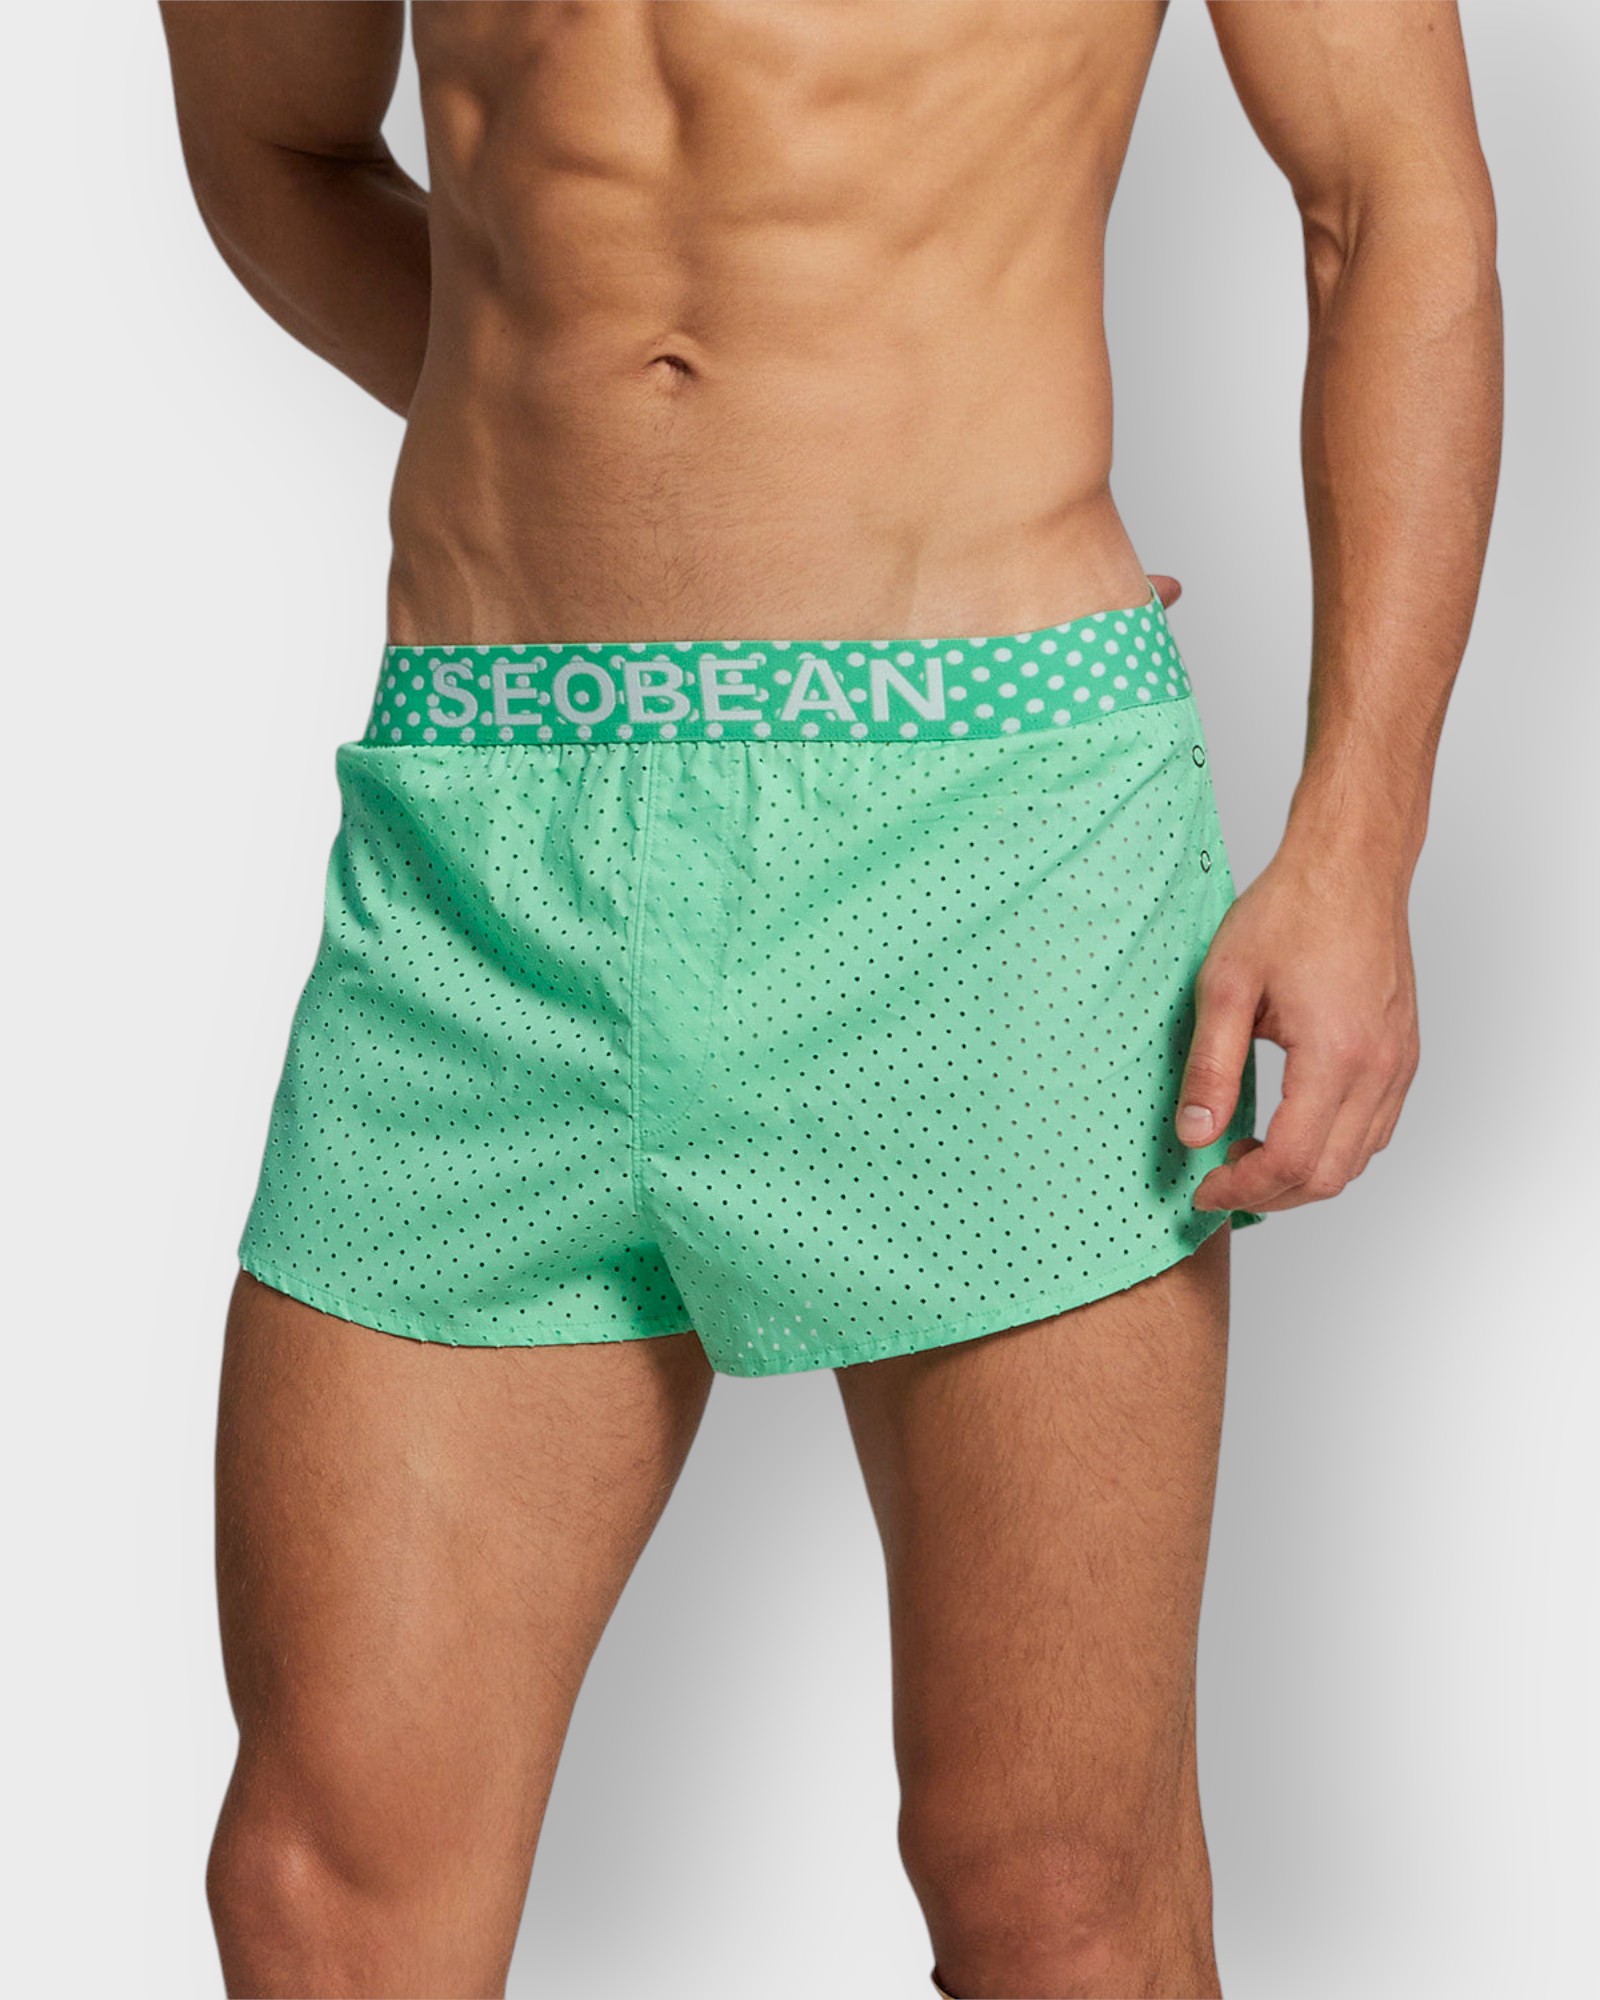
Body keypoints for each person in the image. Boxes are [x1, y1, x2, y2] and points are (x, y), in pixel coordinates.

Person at [158, 4, 1501, 1996]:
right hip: (487, 835)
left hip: (992, 815)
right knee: (318, 1886)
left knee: (1052, 1893)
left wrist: (1358, 844)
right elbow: (274, 152)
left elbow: (1388, 202)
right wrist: (610, 440)